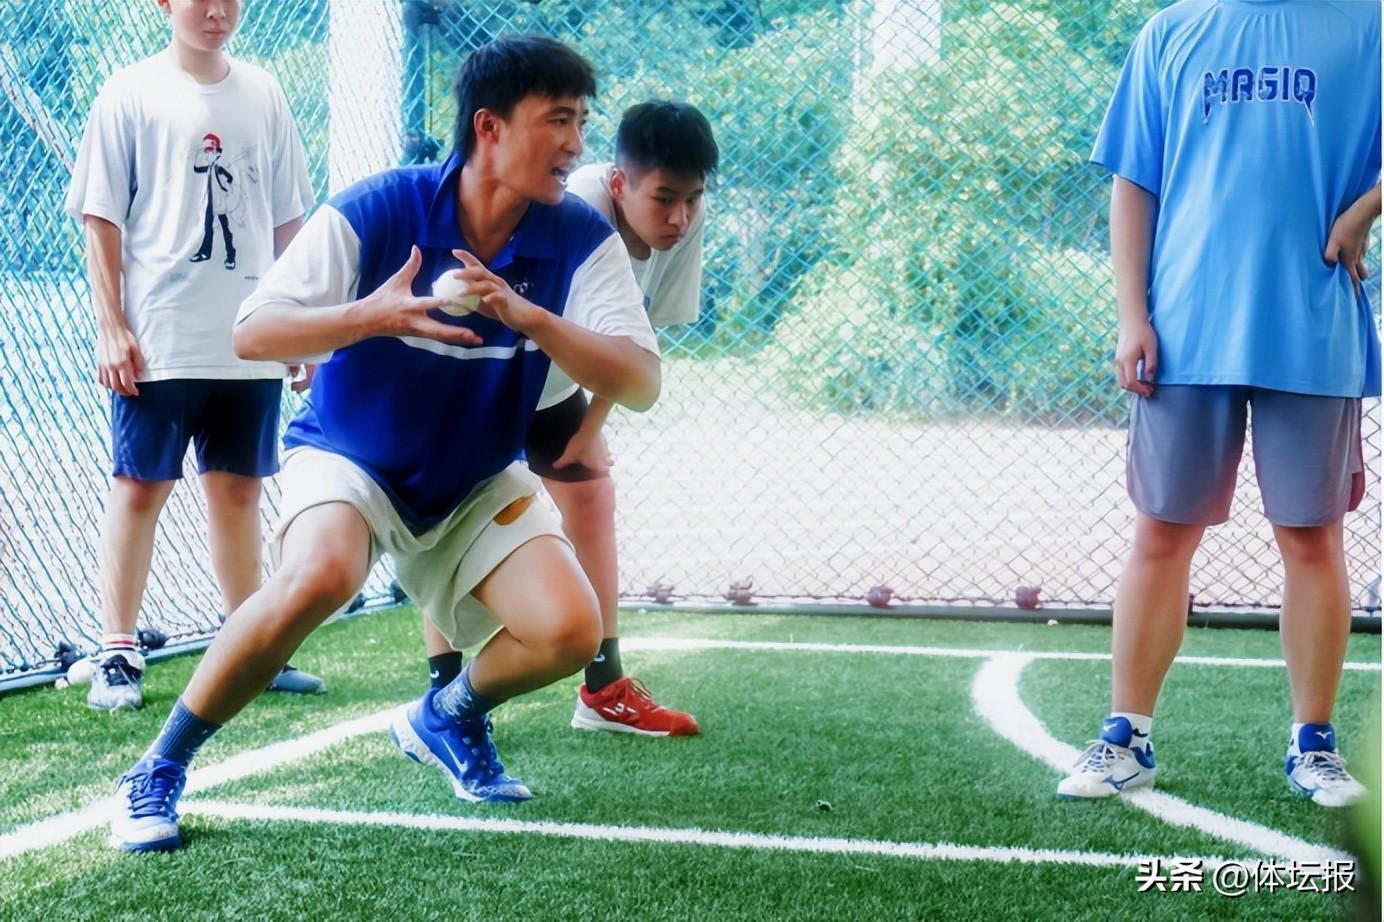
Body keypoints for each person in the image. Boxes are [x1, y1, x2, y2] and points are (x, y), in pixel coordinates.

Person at [108, 34, 661, 852]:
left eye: (582, 121)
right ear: (490, 127)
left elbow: (641, 382)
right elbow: (255, 331)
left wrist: (529, 315)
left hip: (476, 479)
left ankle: (449, 715)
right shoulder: (380, 208)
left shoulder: (579, 235)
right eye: (559, 120)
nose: (577, 144)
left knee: (572, 632)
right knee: (322, 573)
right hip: (349, 458)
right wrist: (371, 315)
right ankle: (158, 768)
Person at [1058, 0, 1380, 807]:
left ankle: (1314, 745)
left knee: (1311, 539)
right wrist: (1132, 315)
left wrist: (1368, 205)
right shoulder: (1171, 31)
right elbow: (1134, 183)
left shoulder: (1367, 25)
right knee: (1161, 533)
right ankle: (1125, 738)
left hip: (1311, 326)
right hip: (1184, 329)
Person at [420, 100, 718, 737]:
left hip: (553, 383)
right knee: (443, 513)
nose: (679, 216)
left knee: (591, 497)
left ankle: (603, 688)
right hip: (483, 375)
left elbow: (636, 341)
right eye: (665, 198)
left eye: (692, 199)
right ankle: (444, 692)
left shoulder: (683, 218)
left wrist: (590, 430)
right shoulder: (570, 205)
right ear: (619, 182)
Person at [63, 0, 323, 713]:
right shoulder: (129, 92)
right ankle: (118, 651)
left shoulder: (264, 91)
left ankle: (250, 649)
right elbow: (100, 217)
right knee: (139, 487)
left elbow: (289, 219)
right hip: (162, 337)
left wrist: (298, 324)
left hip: (249, 336)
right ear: (165, 4)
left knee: (239, 490)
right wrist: (111, 326)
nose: (217, 10)